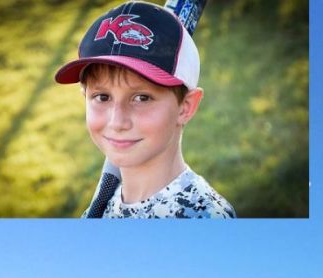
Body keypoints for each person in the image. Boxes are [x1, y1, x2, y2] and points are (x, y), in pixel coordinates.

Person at [55, 1, 235, 219]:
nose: (117, 122)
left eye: (142, 98)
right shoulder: (102, 210)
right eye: (102, 97)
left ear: (185, 107)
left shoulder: (205, 218)